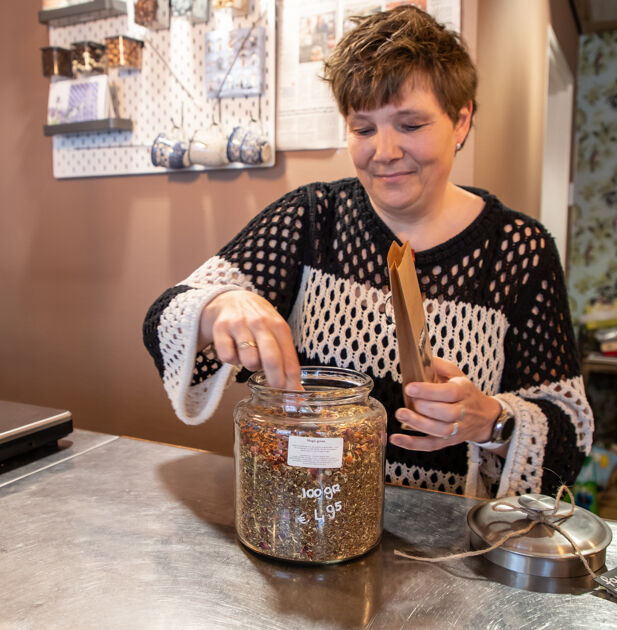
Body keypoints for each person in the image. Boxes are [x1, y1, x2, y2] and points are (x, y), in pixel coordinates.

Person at [143, 6, 593, 498]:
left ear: (460, 121)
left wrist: (493, 422)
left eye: (410, 124)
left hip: (442, 541)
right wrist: (217, 306)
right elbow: (165, 317)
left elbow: (569, 433)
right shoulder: (313, 219)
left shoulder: (519, 252)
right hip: (302, 517)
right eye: (363, 129)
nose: (384, 151)